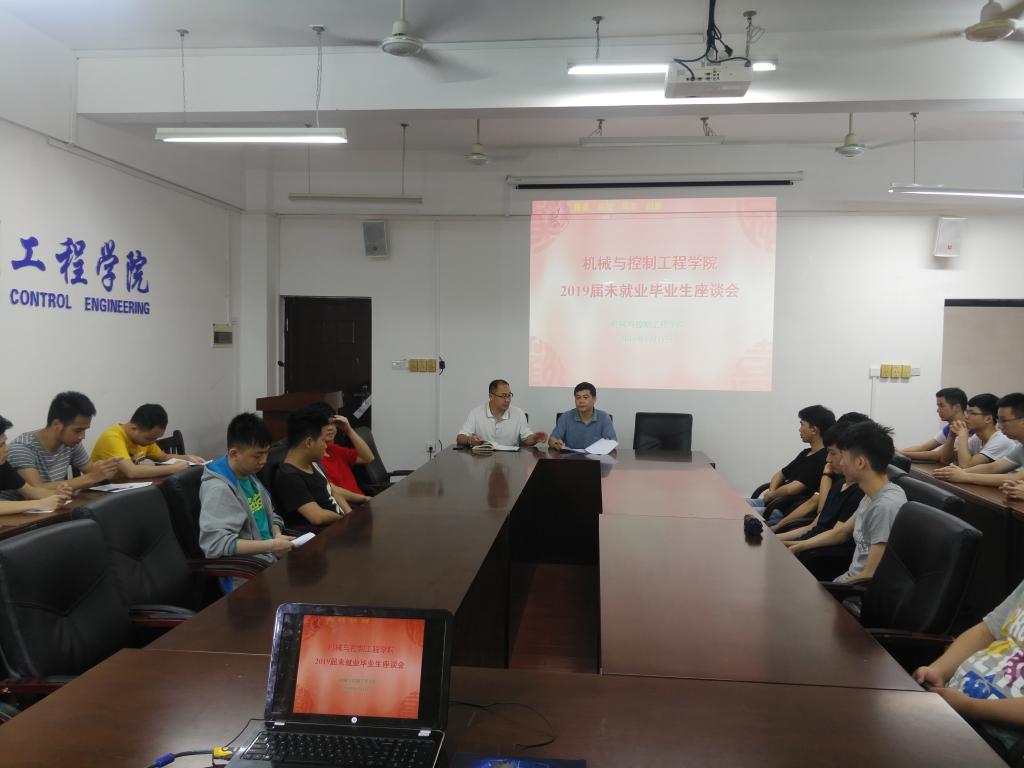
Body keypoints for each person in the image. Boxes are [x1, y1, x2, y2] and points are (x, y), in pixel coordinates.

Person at [913, 578, 1024, 756]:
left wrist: (969, 707)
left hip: (993, 737)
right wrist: (938, 670)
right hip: (950, 702)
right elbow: (987, 631)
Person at [787, 420, 907, 583]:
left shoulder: (885, 506)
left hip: (852, 590)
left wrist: (828, 588)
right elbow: (841, 532)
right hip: (845, 581)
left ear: (860, 462)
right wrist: (797, 546)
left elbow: (870, 576)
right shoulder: (871, 494)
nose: (840, 463)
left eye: (843, 457)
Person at [198, 413, 292, 588]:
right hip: (247, 575)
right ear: (234, 453)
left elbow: (270, 515)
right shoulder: (219, 489)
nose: (264, 461)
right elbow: (215, 544)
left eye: (266, 453)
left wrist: (277, 534)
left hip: (270, 560)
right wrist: (270, 546)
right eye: (257, 455)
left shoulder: (248, 475)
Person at [775, 420, 867, 542]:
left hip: (819, 550)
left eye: (832, 453)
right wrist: (775, 539)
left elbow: (837, 535)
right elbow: (813, 526)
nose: (828, 459)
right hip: (806, 540)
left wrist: (790, 545)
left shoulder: (859, 492)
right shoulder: (839, 484)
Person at [7, 391, 119, 491]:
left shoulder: (71, 443)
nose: (82, 436)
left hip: (55, 504)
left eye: (85, 430)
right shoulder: (22, 448)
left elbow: (92, 472)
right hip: (22, 507)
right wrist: (90, 477)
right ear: (57, 425)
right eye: (78, 430)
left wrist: (105, 470)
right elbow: (35, 489)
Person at [748, 404, 836, 525]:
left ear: (814, 430)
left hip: (782, 511)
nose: (799, 429)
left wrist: (772, 495)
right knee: (734, 505)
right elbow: (780, 474)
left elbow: (792, 489)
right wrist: (771, 494)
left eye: (802, 425)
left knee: (738, 514)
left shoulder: (822, 459)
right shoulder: (806, 453)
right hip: (773, 504)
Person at [274, 404, 353, 526]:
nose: (326, 446)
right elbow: (317, 517)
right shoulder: (289, 476)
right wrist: (344, 519)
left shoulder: (313, 463)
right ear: (309, 442)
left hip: (343, 524)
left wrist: (350, 515)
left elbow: (332, 492)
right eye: (323, 441)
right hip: (328, 532)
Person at [89, 403, 205, 481]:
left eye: (156, 439)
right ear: (134, 428)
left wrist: (187, 458)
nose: (152, 442)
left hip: (128, 487)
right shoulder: (112, 438)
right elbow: (132, 472)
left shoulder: (145, 439)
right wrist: (173, 468)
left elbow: (163, 457)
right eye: (149, 438)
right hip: (100, 493)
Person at [934, 393, 1024, 487]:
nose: (1000, 426)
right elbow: (993, 467)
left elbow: (1017, 478)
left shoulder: (1002, 440)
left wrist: (964, 476)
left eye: (1004, 421)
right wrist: (959, 472)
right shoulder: (1020, 447)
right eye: (999, 420)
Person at [0, 415, 71, 514]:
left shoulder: (3, 465)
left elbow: (29, 491)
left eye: (5, 443)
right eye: (1, 445)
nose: (7, 448)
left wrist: (56, 494)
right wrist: (39, 504)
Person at [457, 379, 547, 448]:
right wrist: (470, 440)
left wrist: (535, 438)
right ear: (491, 396)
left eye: (509, 395)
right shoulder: (476, 413)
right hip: (483, 459)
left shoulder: (518, 413)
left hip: (511, 460)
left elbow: (527, 438)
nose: (507, 400)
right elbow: (460, 437)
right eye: (503, 396)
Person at [937, 392, 1017, 468]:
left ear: (988, 419)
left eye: (972, 413)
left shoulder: (1000, 440)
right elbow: (945, 459)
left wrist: (962, 437)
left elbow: (965, 466)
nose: (966, 417)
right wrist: (951, 436)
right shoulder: (977, 438)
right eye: (967, 412)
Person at [899, 387, 969, 463]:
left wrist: (902, 454)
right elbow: (923, 447)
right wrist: (897, 451)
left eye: (941, 406)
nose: (937, 410)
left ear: (957, 407)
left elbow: (938, 455)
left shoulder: (967, 428)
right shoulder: (949, 428)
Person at [548, 382, 615, 451]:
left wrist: (607, 444)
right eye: (578, 398)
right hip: (571, 456)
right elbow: (552, 440)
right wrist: (556, 443)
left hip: (597, 456)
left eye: (585, 397)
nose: (581, 401)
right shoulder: (566, 417)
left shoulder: (604, 417)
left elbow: (612, 443)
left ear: (594, 399)